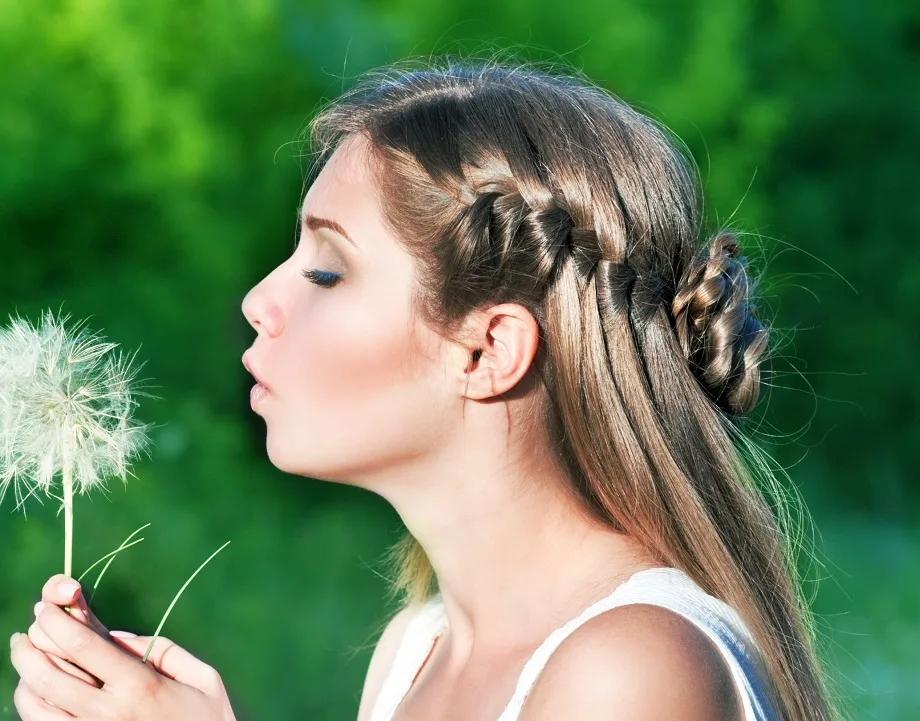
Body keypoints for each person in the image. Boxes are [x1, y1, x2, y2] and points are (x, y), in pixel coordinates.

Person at [10, 57, 837, 720]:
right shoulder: (416, 651)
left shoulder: (630, 671)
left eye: (327, 271)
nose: (259, 300)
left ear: (488, 350)